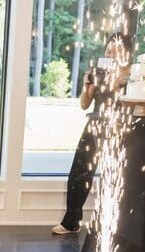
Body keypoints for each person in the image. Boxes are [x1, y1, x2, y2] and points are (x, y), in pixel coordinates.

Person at [52, 32, 133, 235]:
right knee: (79, 173)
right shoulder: (97, 71)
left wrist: (118, 82)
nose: (111, 54)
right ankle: (71, 221)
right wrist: (89, 88)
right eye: (108, 50)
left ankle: (115, 223)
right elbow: (84, 104)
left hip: (119, 127)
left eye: (115, 51)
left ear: (127, 52)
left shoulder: (133, 74)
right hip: (95, 124)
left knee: (114, 175)